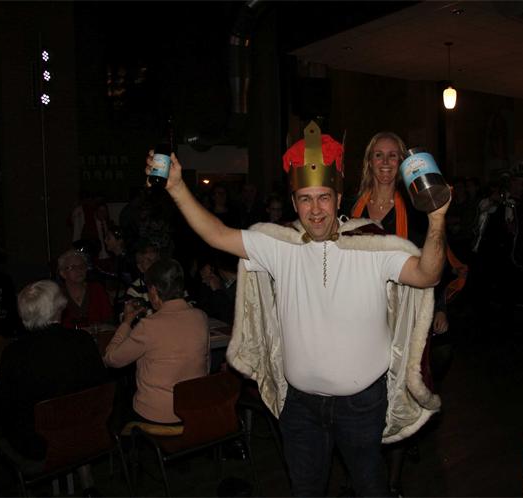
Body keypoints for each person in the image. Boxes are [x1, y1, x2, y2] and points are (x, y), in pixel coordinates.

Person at [146, 121, 449, 497]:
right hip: (301, 408)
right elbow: (216, 234)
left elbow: (427, 274)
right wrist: (176, 187)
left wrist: (436, 218)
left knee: (371, 489)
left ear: (338, 198)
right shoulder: (279, 245)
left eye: (324, 198)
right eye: (305, 199)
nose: (315, 209)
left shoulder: (372, 245)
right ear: (294, 203)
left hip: (361, 406)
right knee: (305, 491)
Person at [349, 131, 461, 496]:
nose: (385, 162)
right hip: (364, 315)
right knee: (364, 396)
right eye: (378, 155)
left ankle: (393, 483)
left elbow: (436, 259)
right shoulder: (353, 207)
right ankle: (364, 472)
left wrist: (439, 307)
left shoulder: (417, 206)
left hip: (408, 313)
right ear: (369, 161)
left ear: (403, 164)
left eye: (393, 156)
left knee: (398, 393)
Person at [0, 280, 107, 495]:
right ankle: (85, 477)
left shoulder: (13, 353)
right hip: (89, 434)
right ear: (59, 307)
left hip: (39, 446)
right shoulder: (83, 341)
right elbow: (101, 386)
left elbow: (3, 408)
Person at [103, 258, 209, 425]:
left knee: (114, 412)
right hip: (194, 409)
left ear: (153, 290)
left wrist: (126, 322)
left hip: (157, 415)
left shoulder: (149, 326)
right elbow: (206, 365)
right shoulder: (201, 317)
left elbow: (111, 359)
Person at [57, 249, 113, 329]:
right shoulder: (57, 294)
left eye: (82, 266)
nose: (79, 270)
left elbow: (109, 320)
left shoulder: (96, 289)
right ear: (62, 273)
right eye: (72, 267)